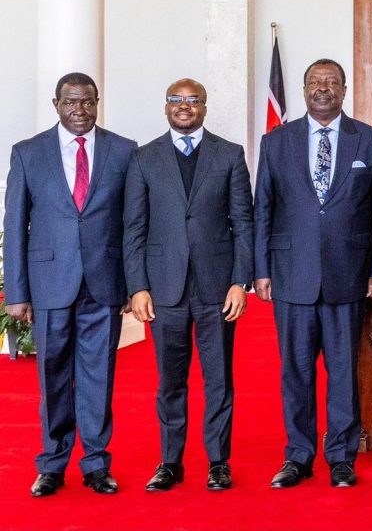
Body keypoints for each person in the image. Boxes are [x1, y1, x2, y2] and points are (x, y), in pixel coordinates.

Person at [253, 58, 372, 489]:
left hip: (348, 274)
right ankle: (298, 455)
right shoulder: (276, 141)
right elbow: (263, 210)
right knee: (295, 370)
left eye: (332, 82)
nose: (323, 89)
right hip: (291, 272)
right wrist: (260, 269)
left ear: (345, 89)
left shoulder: (370, 142)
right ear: (303, 88)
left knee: (343, 371)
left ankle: (341, 457)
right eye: (315, 81)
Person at [3, 73, 136, 497]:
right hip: (49, 284)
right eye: (71, 102)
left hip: (104, 283)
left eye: (88, 102)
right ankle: (52, 463)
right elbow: (15, 223)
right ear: (56, 103)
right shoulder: (28, 153)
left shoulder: (122, 150)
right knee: (52, 375)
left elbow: (132, 224)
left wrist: (135, 286)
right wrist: (17, 292)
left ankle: (96, 463)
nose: (80, 110)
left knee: (99, 376)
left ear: (98, 102)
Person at [122, 78, 254, 492]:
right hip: (164, 289)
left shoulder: (230, 154)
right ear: (165, 107)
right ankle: (170, 462)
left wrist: (240, 281)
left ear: (205, 107)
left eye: (192, 100)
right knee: (170, 381)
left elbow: (243, 224)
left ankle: (218, 462)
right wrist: (138, 286)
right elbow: (134, 229)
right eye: (176, 100)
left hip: (217, 289)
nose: (184, 106)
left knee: (218, 380)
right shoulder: (143, 158)